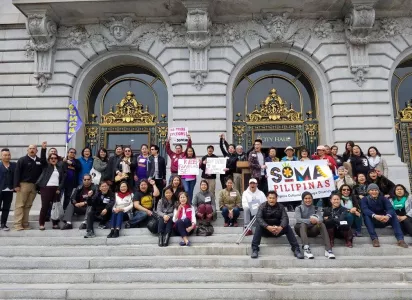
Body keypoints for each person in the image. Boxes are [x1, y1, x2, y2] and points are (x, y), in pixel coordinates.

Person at [251, 191, 304, 259]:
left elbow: (285, 218)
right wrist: (267, 226)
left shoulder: (281, 207)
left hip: (277, 230)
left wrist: (280, 227)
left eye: (273, 198)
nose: (271, 200)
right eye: (270, 198)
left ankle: (296, 249)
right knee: (258, 226)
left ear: (276, 199)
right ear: (267, 198)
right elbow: (258, 218)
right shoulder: (262, 206)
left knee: (287, 227)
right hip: (266, 230)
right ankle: (255, 250)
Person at [361, 183, 408, 248]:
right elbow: (365, 209)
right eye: (372, 190)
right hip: (373, 220)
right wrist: (375, 216)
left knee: (393, 215)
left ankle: (400, 239)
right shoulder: (364, 199)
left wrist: (387, 216)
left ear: (378, 191)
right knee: (366, 216)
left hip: (384, 219)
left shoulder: (383, 198)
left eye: (376, 190)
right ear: (368, 191)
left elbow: (390, 208)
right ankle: (374, 239)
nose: (374, 192)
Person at [294, 191, 335, 259]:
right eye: (306, 198)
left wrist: (316, 221)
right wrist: (310, 221)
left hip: (313, 230)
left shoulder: (316, 208)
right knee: (303, 224)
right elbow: (298, 219)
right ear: (303, 199)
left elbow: (321, 219)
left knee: (321, 224)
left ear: (312, 199)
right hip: (301, 230)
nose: (308, 200)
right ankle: (306, 248)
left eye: (309, 198)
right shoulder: (299, 208)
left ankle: (328, 249)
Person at [36, 142, 65, 230]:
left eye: (55, 158)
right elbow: (42, 160)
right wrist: (44, 149)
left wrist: (59, 188)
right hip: (46, 188)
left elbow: (62, 180)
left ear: (57, 159)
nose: (53, 159)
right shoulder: (46, 166)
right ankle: (41, 224)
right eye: (51, 158)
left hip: (56, 189)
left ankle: (55, 223)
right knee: (45, 206)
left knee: (55, 206)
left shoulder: (60, 168)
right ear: (49, 159)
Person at [13, 144, 43, 231]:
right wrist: (16, 185)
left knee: (28, 205)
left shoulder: (39, 161)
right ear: (27, 150)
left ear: (37, 150)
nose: (32, 150)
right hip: (23, 185)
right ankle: (17, 224)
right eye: (30, 148)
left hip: (34, 186)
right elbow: (17, 172)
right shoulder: (22, 160)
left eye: (34, 148)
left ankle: (25, 224)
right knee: (20, 205)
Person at [0, 148, 16, 230]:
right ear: (1, 156)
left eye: (8, 155)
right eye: (5, 155)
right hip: (0, 189)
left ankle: (3, 224)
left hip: (9, 190)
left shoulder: (14, 165)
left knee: (6, 208)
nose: (7, 156)